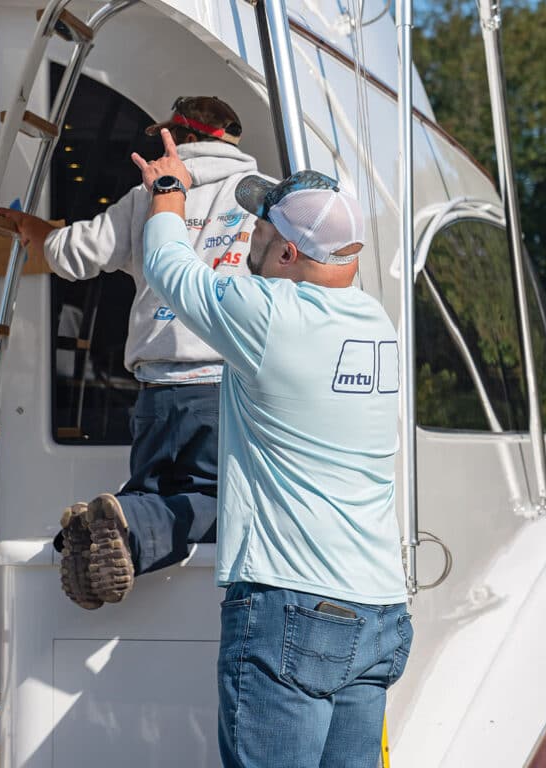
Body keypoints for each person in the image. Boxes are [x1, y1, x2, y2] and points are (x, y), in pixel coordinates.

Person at [133, 130, 412, 768]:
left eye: (259, 226)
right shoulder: (375, 322)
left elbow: (169, 270)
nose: (246, 233)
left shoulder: (273, 316)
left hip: (294, 608)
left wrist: (170, 192)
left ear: (288, 250)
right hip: (379, 612)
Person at [0, 97, 264, 610]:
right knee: (223, 498)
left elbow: (76, 255)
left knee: (160, 489)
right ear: (231, 138)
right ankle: (125, 527)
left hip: (159, 385)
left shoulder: (147, 197)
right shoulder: (262, 195)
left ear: (177, 138)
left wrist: (35, 232)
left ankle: (116, 523)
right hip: (232, 383)